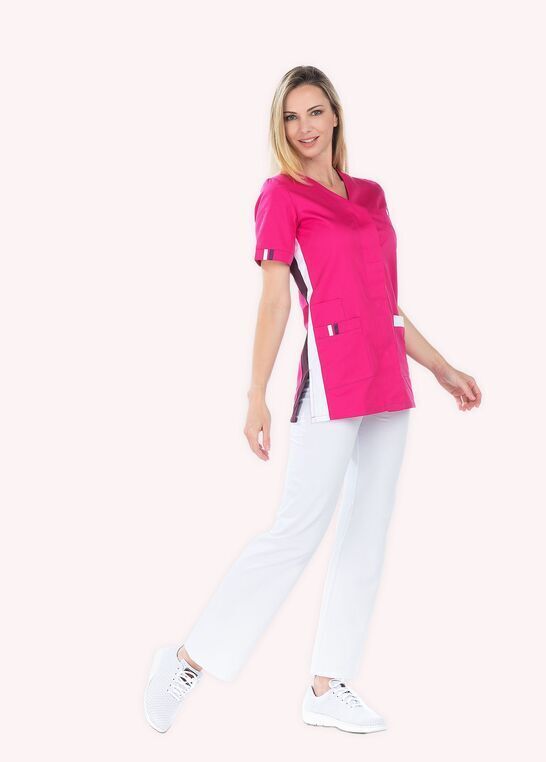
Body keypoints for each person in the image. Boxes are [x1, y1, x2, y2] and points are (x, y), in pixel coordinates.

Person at [144, 65, 481, 735]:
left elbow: (386, 304)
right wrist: (256, 395)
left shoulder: (371, 195)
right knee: (296, 531)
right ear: (281, 125)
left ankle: (329, 684)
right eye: (291, 116)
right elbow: (275, 300)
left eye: (315, 112)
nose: (304, 127)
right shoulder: (281, 195)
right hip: (332, 375)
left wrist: (441, 366)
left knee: (368, 530)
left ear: (335, 116)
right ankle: (185, 661)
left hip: (388, 375)